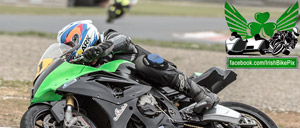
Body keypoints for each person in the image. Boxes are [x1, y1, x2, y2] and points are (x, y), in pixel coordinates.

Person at [57, 20, 219, 113]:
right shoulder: (88, 65)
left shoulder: (107, 36)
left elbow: (123, 40)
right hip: (135, 100)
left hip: (158, 79)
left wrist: (101, 49)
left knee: (146, 63)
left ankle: (201, 93)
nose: (68, 51)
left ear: (81, 39)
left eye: (70, 46)